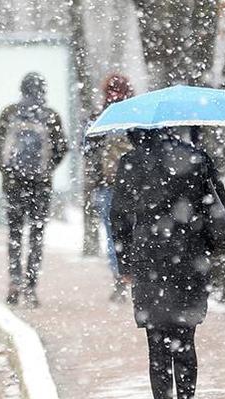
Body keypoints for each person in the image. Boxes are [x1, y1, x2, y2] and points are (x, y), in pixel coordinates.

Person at [110, 128, 225, 399]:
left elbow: (118, 216)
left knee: (157, 346)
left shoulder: (130, 162)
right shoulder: (195, 157)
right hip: (190, 261)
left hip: (149, 261)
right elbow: (219, 206)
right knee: (185, 342)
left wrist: (125, 266)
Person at [0, 72, 68, 308]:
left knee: (15, 234)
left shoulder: (9, 113)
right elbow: (62, 147)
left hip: (14, 184)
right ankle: (31, 287)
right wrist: (46, 169)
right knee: (36, 234)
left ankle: (14, 282)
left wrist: (7, 171)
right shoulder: (50, 116)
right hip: (40, 186)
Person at [84, 74, 136, 302]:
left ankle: (120, 278)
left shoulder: (99, 119)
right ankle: (137, 276)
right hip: (135, 186)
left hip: (107, 186)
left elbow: (86, 149)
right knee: (136, 232)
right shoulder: (136, 117)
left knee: (113, 234)